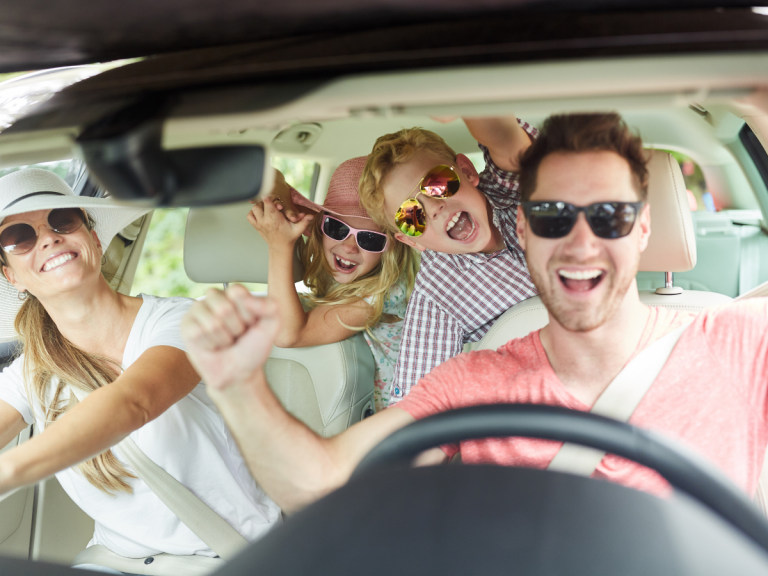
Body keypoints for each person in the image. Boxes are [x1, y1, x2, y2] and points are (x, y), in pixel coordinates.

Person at [181, 112, 768, 513]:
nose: (577, 241)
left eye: (603, 214)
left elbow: (502, 134)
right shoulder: (468, 374)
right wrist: (238, 386)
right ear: (524, 230)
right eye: (410, 217)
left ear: (644, 227)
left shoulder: (732, 340)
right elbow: (331, 479)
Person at [0, 170, 280, 570]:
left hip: (226, 557)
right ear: (11, 275)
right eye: (19, 237)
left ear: (93, 238)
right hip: (115, 562)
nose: (49, 238)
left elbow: (135, 402)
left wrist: (9, 471)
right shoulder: (33, 370)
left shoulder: (183, 320)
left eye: (63, 219)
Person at [357, 116, 539, 403]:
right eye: (410, 216)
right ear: (412, 241)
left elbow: (508, 142)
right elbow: (418, 406)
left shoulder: (511, 190)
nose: (434, 208)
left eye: (437, 183)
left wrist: (468, 99)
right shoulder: (438, 294)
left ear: (466, 171)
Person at [247, 157, 418, 411]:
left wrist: (279, 245)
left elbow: (287, 335)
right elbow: (261, 176)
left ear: (391, 248)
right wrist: (281, 193)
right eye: (337, 228)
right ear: (321, 227)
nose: (348, 246)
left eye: (370, 239)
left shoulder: (385, 292)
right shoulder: (350, 267)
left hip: (400, 431)